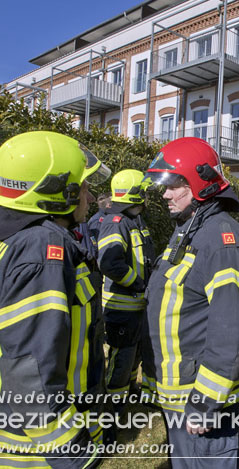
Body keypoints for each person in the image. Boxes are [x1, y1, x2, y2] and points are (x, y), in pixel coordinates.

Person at [0, 131, 111, 467]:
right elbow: (30, 366)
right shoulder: (40, 247)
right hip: (24, 448)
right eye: (85, 188)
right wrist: (68, 449)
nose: (90, 198)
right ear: (57, 191)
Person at [143, 137, 239, 468]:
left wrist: (205, 402)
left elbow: (235, 327)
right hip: (181, 393)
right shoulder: (189, 230)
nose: (164, 193)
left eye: (173, 185)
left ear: (200, 183)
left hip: (200, 398)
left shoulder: (223, 240)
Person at [97, 170, 154, 404]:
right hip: (123, 307)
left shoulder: (135, 222)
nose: (147, 195)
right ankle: (112, 411)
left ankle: (130, 391)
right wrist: (138, 283)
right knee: (123, 358)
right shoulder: (116, 223)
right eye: (144, 191)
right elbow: (109, 263)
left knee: (135, 354)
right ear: (136, 194)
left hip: (136, 305)